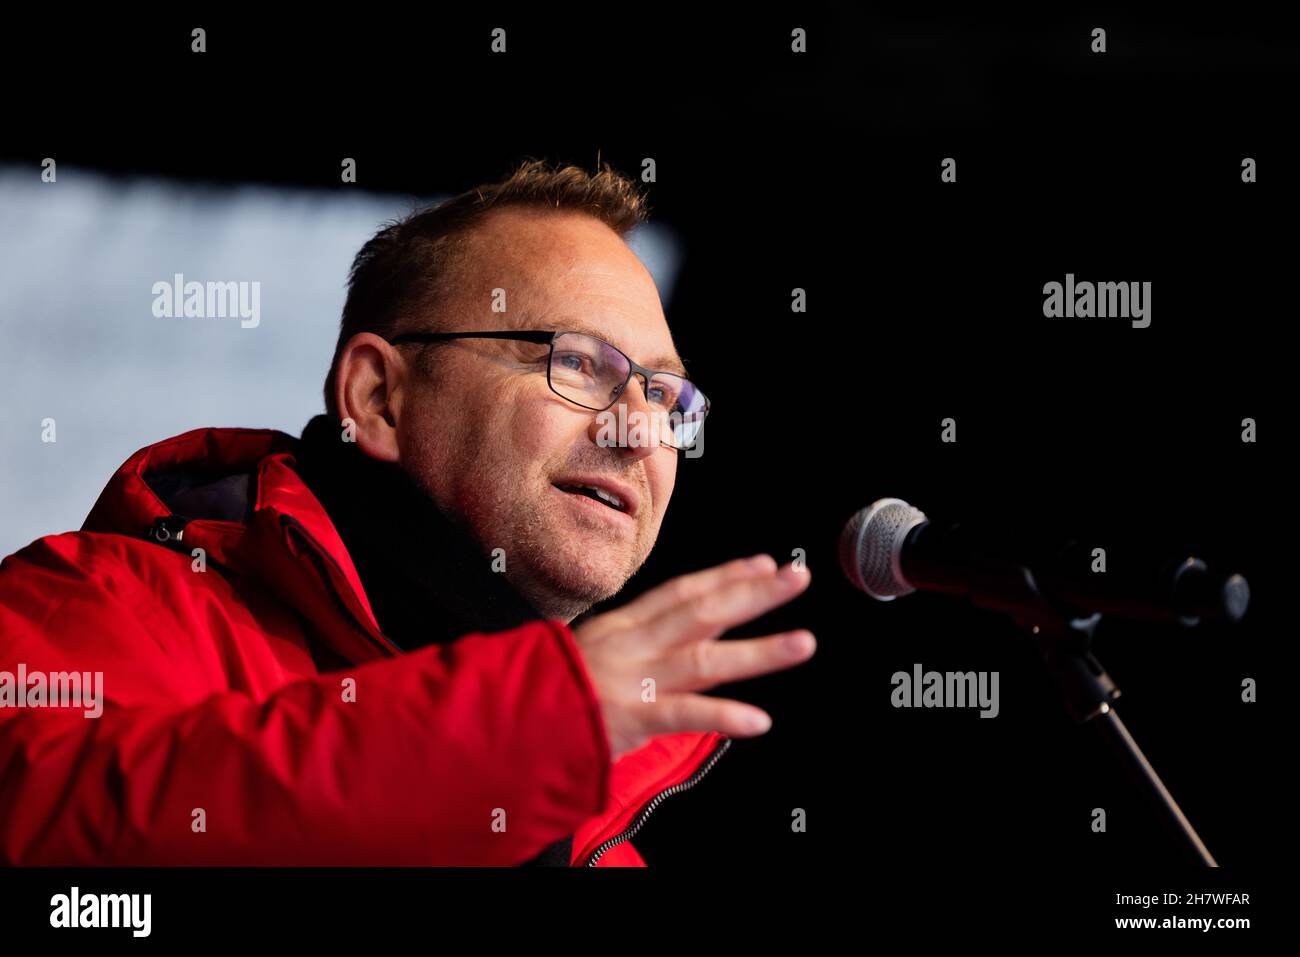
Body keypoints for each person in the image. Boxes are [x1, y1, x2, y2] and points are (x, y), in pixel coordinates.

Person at [0, 159, 816, 866]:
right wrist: (524, 728)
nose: (638, 427)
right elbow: (64, 838)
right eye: (577, 361)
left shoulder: (604, 829)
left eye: (666, 395)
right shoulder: (87, 599)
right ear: (379, 398)